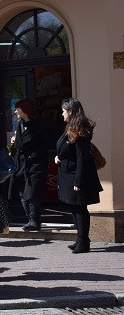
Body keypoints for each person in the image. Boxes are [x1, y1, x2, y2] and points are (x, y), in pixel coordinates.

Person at [55, 98, 102, 254]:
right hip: (67, 173)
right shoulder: (70, 127)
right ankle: (81, 238)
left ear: (71, 112)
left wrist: (78, 181)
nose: (62, 114)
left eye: (64, 111)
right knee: (72, 206)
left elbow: (82, 157)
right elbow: (66, 148)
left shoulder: (81, 130)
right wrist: (59, 156)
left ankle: (83, 241)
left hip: (76, 175)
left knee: (80, 207)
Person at [9, 99, 51, 232]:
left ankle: (34, 220)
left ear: (25, 110)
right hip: (21, 163)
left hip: (35, 163)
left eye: (17, 109)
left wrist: (34, 155)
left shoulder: (39, 125)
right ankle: (29, 218)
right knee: (22, 190)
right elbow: (20, 144)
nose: (15, 112)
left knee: (33, 192)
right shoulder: (19, 124)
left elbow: (46, 144)